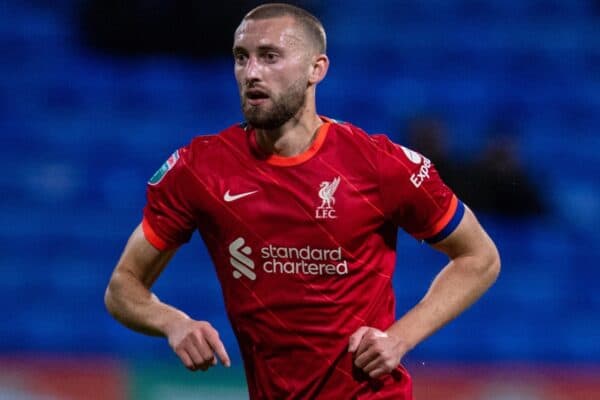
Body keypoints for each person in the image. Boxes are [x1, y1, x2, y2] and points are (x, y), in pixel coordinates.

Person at [104, 3, 501, 399]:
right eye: (241, 58)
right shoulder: (200, 169)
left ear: (317, 69)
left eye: (270, 56)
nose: (252, 73)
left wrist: (400, 339)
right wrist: (172, 322)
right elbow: (123, 286)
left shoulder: (378, 165)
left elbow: (479, 257)